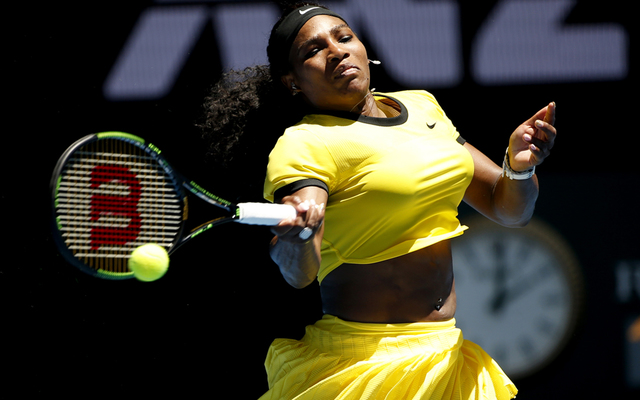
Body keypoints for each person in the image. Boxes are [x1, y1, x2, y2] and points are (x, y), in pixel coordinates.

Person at [200, 2, 556, 399]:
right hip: (361, 367)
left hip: (447, 355)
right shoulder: (305, 143)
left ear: (363, 47)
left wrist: (519, 167)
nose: (336, 51)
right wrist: (296, 238)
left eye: (343, 36)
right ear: (292, 81)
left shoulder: (422, 106)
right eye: (313, 50)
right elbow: (298, 273)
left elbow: (508, 208)